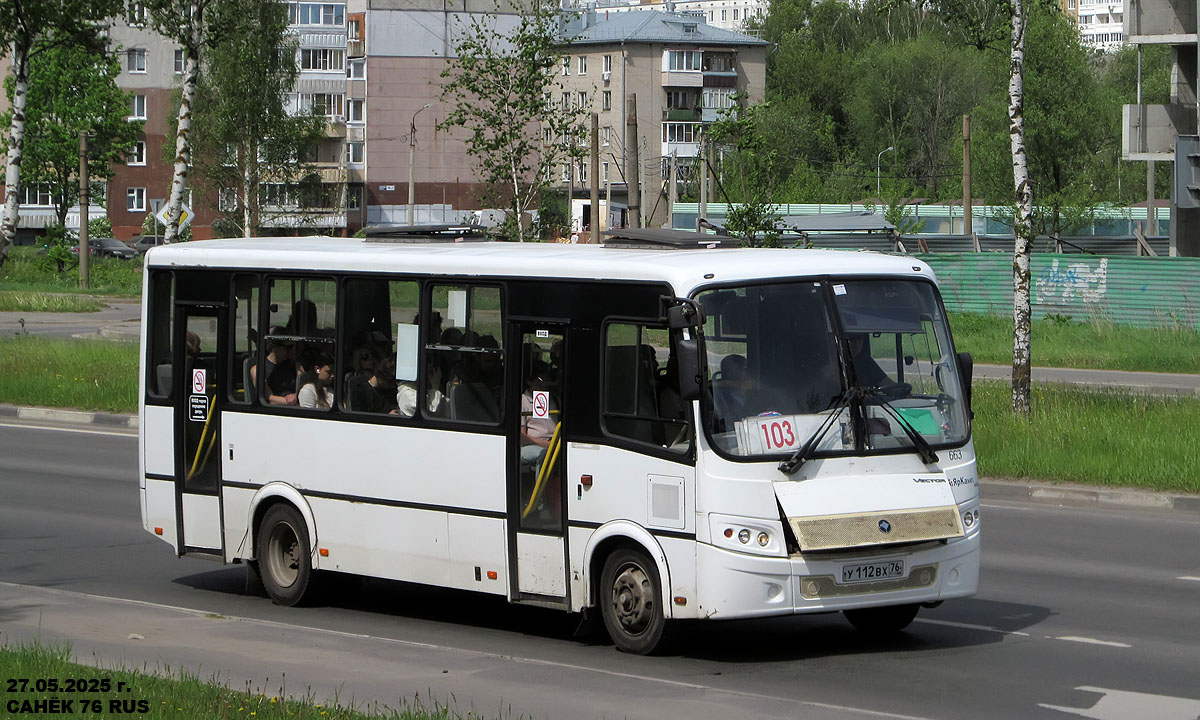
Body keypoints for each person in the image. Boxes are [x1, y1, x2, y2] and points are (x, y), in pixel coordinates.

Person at [250, 328, 297, 405]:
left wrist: (296, 395)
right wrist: (294, 401)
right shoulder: (258, 370)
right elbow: (269, 399)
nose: (291, 351)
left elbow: (303, 385)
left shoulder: (294, 365)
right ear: (275, 347)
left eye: (292, 347)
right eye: (287, 348)